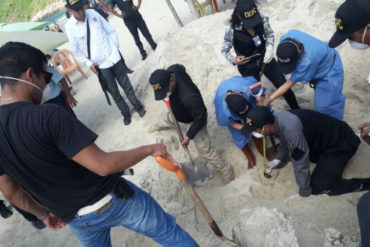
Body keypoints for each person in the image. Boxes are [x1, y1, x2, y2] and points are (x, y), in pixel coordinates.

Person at [0, 41, 198, 247]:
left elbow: (10, 191)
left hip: (75, 219)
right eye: (46, 77)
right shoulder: (47, 115)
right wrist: (149, 149)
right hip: (110, 200)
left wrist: (42, 215)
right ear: (30, 75)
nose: (46, 85)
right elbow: (103, 165)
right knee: (168, 233)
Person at [240, 106, 370, 197]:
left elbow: (300, 161)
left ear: (266, 127)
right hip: (324, 137)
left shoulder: (292, 130)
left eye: (255, 130)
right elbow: (285, 140)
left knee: (318, 187)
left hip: (341, 144)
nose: (253, 133)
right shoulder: (278, 119)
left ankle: (365, 184)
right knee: (296, 153)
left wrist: (304, 189)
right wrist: (277, 159)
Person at [148, 64, 235, 184]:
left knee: (205, 150)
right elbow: (179, 67)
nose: (164, 94)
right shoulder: (173, 71)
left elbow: (201, 116)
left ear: (172, 80)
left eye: (165, 91)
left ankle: (227, 171)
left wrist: (189, 135)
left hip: (194, 119)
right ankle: (161, 125)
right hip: (176, 112)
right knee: (168, 118)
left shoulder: (189, 96)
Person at [65, 0, 145, 125]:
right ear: (70, 10)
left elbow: (110, 31)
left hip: (113, 56)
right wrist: (89, 63)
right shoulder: (69, 27)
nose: (82, 11)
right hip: (100, 65)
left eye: (82, 7)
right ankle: (125, 113)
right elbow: (77, 52)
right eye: (77, 10)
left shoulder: (92, 13)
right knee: (114, 91)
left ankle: (138, 106)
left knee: (126, 84)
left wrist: (115, 50)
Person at [221, 0, 299, 110]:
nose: (252, 25)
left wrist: (269, 48)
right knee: (255, 96)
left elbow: (270, 34)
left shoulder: (261, 19)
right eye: (249, 22)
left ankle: (297, 109)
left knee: (283, 86)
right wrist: (234, 60)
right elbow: (224, 51)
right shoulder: (231, 29)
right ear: (239, 16)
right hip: (247, 66)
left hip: (265, 59)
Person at [262, 30, 345, 121]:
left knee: (325, 107)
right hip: (319, 59)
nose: (288, 72)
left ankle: (337, 126)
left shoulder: (306, 62)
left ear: (299, 55)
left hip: (329, 69)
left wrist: (269, 99)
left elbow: (288, 84)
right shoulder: (286, 39)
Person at [214, 76, 272, 169]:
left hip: (243, 92)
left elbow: (263, 98)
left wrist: (261, 107)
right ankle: (250, 157)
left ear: (241, 94)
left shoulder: (249, 88)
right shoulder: (223, 110)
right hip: (229, 107)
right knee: (238, 135)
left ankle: (260, 147)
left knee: (257, 122)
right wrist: (245, 128)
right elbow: (231, 123)